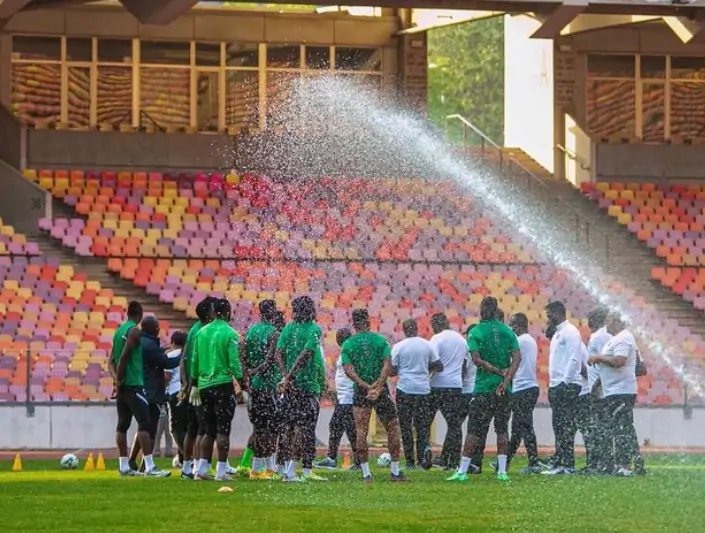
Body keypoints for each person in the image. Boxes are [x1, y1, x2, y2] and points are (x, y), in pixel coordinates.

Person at [447, 296, 520, 483]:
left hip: (483, 388)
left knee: (473, 430)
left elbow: (476, 359)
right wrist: (506, 380)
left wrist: (495, 370)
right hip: (504, 389)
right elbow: (517, 358)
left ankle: (463, 471)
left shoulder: (476, 331)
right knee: (502, 429)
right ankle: (502, 471)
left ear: (482, 310)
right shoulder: (507, 331)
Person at [342, 308, 407, 482]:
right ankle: (394, 472)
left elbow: (348, 370)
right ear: (368, 322)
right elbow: (387, 365)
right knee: (392, 428)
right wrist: (377, 386)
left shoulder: (348, 344)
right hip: (381, 390)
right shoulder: (379, 340)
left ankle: (366, 474)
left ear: (354, 324)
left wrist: (364, 385)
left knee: (361, 431)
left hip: (360, 391)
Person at [189, 298, 243, 481]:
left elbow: (194, 360)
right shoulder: (230, 333)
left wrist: (194, 384)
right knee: (223, 430)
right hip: (222, 385)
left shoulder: (201, 332)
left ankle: (202, 469)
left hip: (204, 386)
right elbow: (234, 363)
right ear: (228, 312)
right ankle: (221, 471)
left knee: (208, 429)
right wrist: (243, 385)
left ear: (212, 312)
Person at [109, 301, 164, 477]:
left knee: (122, 425)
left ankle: (124, 466)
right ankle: (150, 466)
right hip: (133, 385)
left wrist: (116, 382)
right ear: (140, 313)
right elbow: (124, 357)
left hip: (123, 386)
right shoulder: (134, 331)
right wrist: (120, 381)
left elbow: (110, 361)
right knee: (145, 423)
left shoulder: (118, 331)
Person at [276, 296, 327, 482]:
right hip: (306, 386)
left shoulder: (289, 328)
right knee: (303, 429)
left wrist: (285, 377)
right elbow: (306, 354)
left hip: (290, 387)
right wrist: (288, 376)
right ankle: (291, 472)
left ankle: (282, 468)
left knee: (288, 427)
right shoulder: (314, 329)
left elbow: (278, 353)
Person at [588, 311, 643, 477]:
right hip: (614, 390)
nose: (606, 324)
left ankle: (624, 465)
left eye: (609, 321)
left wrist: (599, 358)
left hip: (622, 390)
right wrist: (598, 384)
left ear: (618, 322)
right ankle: (636, 462)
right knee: (624, 427)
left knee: (622, 428)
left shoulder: (623, 338)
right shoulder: (616, 338)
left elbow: (619, 361)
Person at [127, 316, 179, 476]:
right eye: (156, 326)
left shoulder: (142, 342)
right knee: (149, 430)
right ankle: (148, 465)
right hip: (152, 392)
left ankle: (133, 461)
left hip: (141, 389)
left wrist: (162, 351)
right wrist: (183, 355)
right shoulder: (149, 345)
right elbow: (167, 363)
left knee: (143, 427)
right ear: (151, 328)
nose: (158, 329)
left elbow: (153, 358)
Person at [391, 318, 443, 470]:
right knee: (422, 426)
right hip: (423, 390)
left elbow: (392, 371)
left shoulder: (399, 347)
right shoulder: (427, 345)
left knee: (406, 426)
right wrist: (425, 369)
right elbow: (439, 366)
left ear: (404, 330)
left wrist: (403, 369)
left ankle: (409, 462)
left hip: (405, 389)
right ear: (416, 329)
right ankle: (422, 458)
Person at [243, 300, 284, 480]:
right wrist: (256, 371)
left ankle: (259, 468)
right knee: (271, 428)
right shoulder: (274, 333)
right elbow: (269, 361)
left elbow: (243, 355)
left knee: (259, 427)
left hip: (255, 386)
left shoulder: (251, 331)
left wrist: (248, 375)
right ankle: (265, 468)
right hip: (269, 386)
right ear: (272, 313)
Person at [544, 300, 583, 475]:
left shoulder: (571, 332)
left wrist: (564, 382)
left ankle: (567, 464)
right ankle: (561, 463)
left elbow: (575, 359)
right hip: (557, 384)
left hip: (566, 385)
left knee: (565, 426)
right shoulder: (558, 333)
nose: (548, 318)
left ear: (557, 313)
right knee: (559, 426)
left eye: (549, 315)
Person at [314, 327, 360, 470]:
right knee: (337, 426)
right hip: (343, 397)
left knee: (349, 429)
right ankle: (332, 458)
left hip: (348, 398)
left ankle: (357, 461)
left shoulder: (349, 352)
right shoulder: (347, 351)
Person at [180, 297, 215, 479]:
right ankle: (200, 468)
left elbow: (183, 359)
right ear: (208, 314)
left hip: (193, 384)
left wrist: (186, 383)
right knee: (204, 428)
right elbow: (196, 360)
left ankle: (187, 468)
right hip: (201, 385)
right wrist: (193, 384)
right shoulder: (204, 332)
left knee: (192, 428)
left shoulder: (193, 329)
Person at [428, 313, 467, 469]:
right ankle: (453, 460)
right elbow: (464, 367)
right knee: (454, 425)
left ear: (436, 324)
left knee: (425, 423)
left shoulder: (437, 338)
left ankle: (424, 458)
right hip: (455, 386)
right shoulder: (461, 340)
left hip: (436, 385)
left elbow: (433, 362)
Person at [506, 313, 541, 474]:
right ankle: (505, 461)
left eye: (512, 324)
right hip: (527, 387)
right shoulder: (530, 340)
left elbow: (511, 360)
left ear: (519, 325)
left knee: (525, 426)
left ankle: (534, 463)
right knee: (518, 427)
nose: (510, 327)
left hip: (523, 388)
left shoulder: (520, 341)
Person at [584, 307, 612, 474]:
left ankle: (604, 464)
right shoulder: (601, 335)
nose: (588, 322)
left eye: (590, 318)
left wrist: (597, 385)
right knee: (600, 428)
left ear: (596, 319)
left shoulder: (600, 336)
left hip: (599, 391)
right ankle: (602, 463)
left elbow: (606, 362)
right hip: (600, 388)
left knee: (600, 428)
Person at [165, 331, 187, 468]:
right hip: (187, 391)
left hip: (175, 393)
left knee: (176, 429)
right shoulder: (189, 355)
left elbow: (167, 377)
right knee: (186, 427)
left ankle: (188, 457)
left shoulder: (171, 355)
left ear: (172, 342)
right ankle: (183, 459)